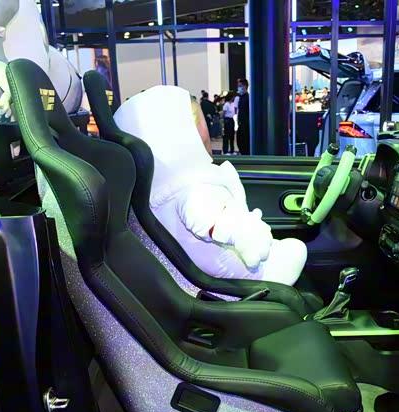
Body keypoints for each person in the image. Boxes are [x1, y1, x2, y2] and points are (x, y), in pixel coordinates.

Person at [113, 85, 307, 285]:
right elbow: (211, 216)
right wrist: (248, 235)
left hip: (208, 276)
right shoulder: (192, 188)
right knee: (296, 249)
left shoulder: (150, 191)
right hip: (240, 282)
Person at [236, 78, 250, 155]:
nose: (239, 88)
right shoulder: (240, 97)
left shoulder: (248, 98)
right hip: (241, 123)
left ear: (245, 86)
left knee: (244, 143)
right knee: (240, 141)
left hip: (246, 124)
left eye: (240, 86)